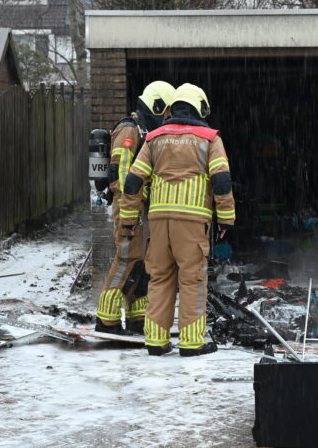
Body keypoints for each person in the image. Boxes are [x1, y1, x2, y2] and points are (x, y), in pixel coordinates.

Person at [120, 83, 235, 356]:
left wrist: (128, 219)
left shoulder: (155, 138)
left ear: (172, 108)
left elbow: (133, 181)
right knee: (192, 279)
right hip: (192, 222)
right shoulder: (209, 139)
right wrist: (226, 220)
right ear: (200, 108)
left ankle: (156, 341)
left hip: (159, 221)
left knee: (159, 278)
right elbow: (221, 180)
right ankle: (192, 342)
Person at [94, 81, 176, 335]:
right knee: (127, 258)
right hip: (128, 205)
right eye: (166, 112)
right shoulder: (130, 130)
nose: (167, 118)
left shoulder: (142, 130)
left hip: (138, 207)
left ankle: (137, 316)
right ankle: (106, 320)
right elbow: (120, 171)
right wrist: (129, 207)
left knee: (141, 263)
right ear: (157, 105)